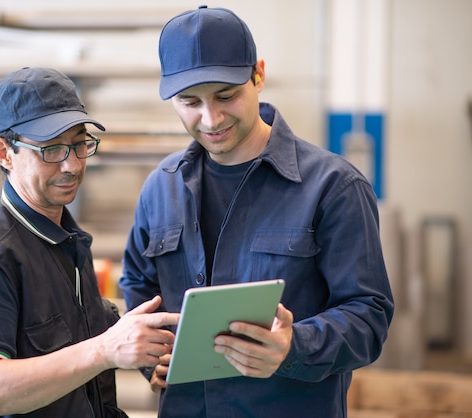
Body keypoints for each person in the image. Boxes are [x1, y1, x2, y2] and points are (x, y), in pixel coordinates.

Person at [119, 6, 394, 418]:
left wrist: (294, 346)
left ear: (258, 75)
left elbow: (368, 316)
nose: (210, 119)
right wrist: (150, 357)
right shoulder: (163, 185)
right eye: (189, 102)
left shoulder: (332, 186)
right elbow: (139, 285)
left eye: (226, 96)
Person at [0, 67, 179, 418]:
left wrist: (144, 351)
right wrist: (104, 350)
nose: (72, 165)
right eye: (51, 149)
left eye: (79, 144)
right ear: (3, 152)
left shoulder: (66, 237)